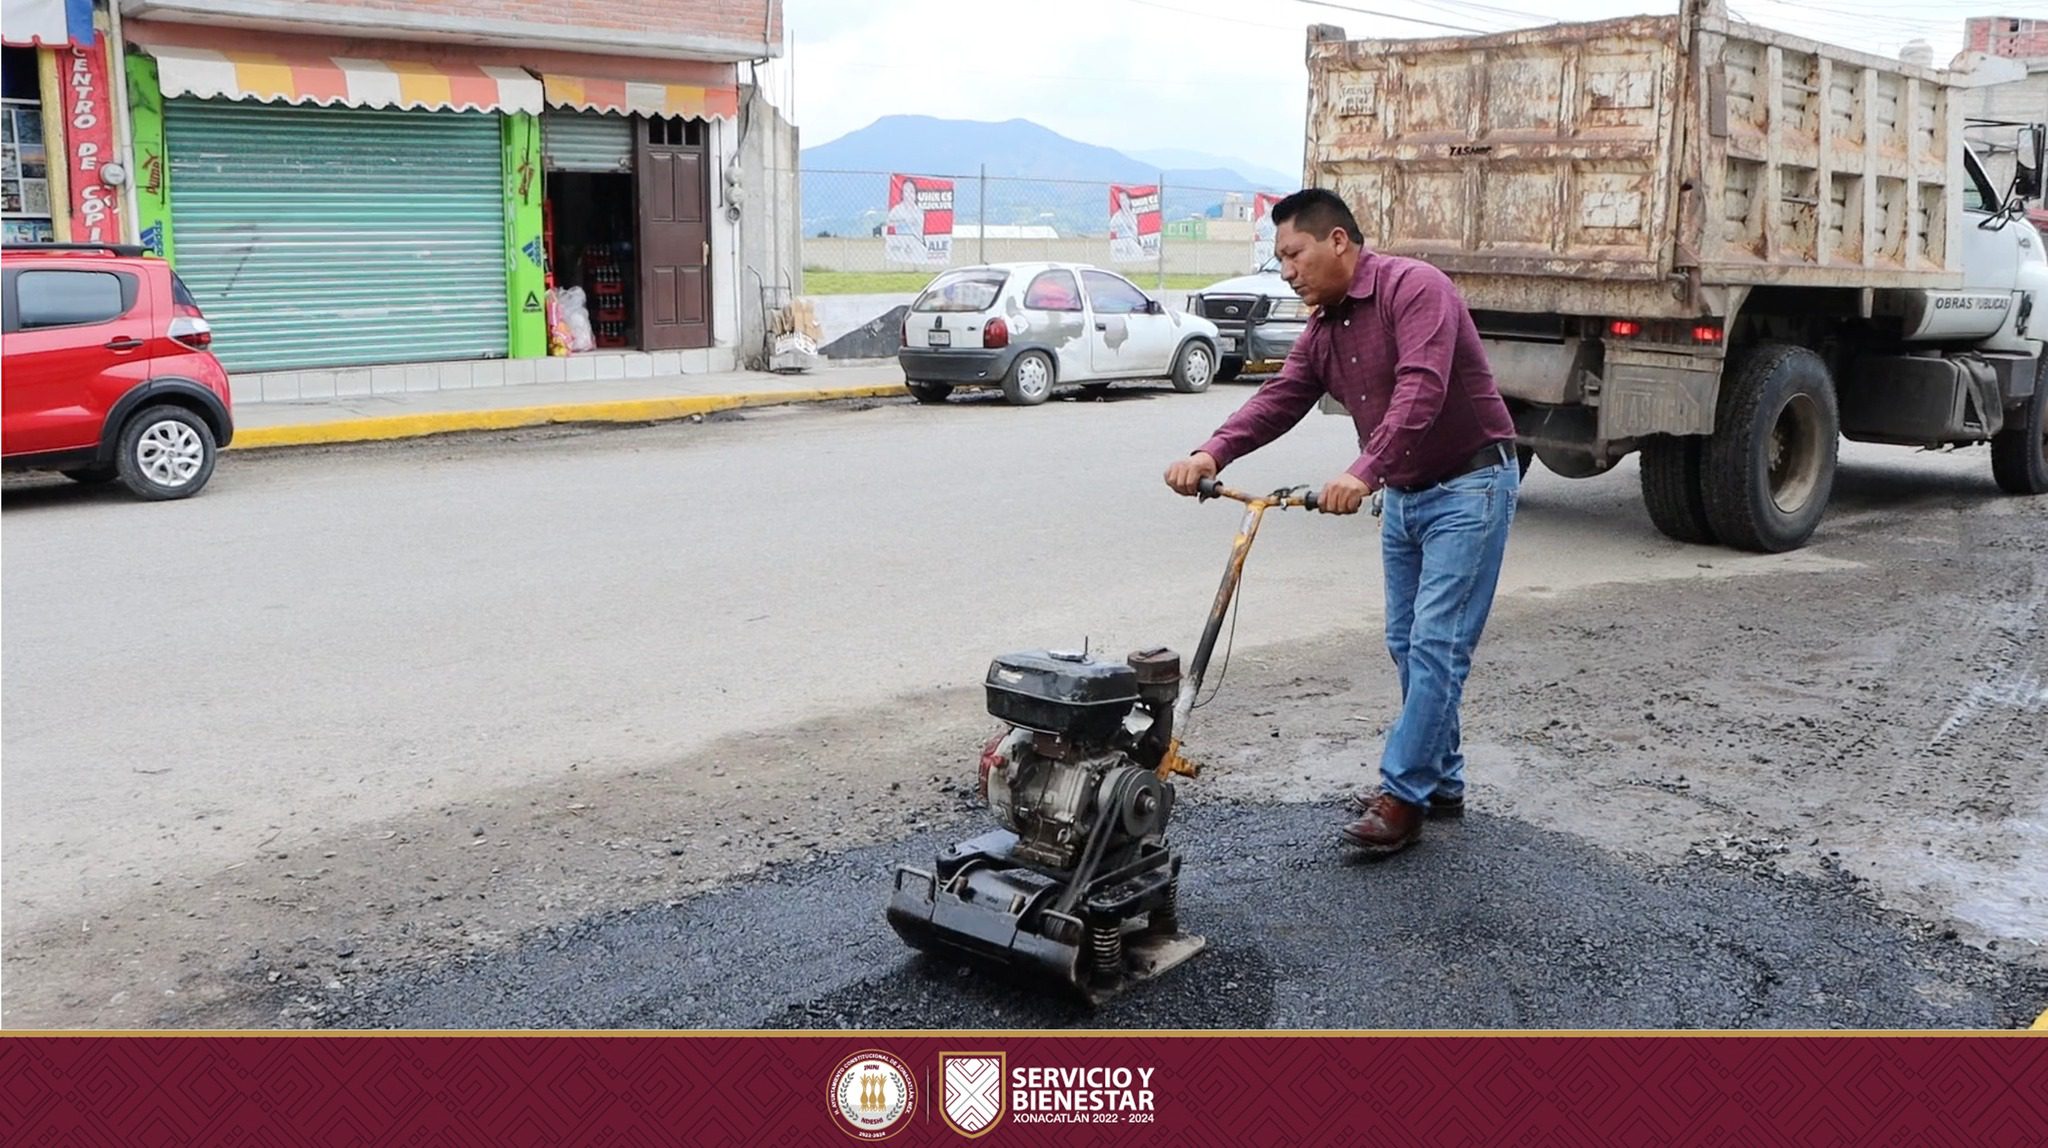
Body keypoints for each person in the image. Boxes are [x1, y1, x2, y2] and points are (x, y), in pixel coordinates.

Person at [1162, 188, 1520, 857]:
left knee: (1438, 643)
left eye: (1294, 254)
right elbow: (1280, 398)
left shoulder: (1416, 290)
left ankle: (1403, 795)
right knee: (1405, 643)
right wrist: (1211, 451)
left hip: (1472, 484)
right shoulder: (1324, 330)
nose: (1288, 270)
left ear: (1338, 242)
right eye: (1280, 260)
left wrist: (1364, 469)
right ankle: (1440, 781)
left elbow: (1423, 385)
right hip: (1410, 495)